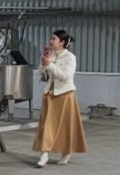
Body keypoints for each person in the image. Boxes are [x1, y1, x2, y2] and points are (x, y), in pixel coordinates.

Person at [33, 30, 87, 167]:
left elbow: (66, 76)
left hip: (65, 94)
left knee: (66, 125)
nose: (51, 41)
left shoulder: (70, 57)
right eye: (51, 39)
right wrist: (43, 64)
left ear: (62, 42)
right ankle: (44, 154)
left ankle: (66, 152)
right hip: (49, 94)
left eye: (54, 39)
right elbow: (41, 72)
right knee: (46, 125)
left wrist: (49, 65)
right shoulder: (50, 55)